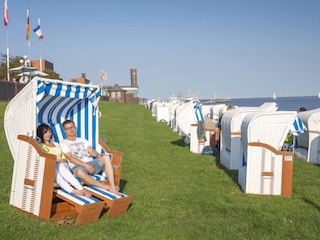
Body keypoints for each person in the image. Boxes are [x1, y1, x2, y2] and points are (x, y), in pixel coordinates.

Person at [60, 120, 120, 195]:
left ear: (75, 127)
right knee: (79, 172)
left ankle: (112, 186)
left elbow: (91, 151)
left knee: (106, 157)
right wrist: (86, 166)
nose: (71, 130)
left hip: (91, 163)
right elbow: (70, 158)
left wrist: (98, 155)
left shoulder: (82, 140)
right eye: (68, 128)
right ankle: (106, 187)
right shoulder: (63, 143)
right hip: (78, 166)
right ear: (65, 131)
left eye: (72, 127)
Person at [37, 123, 91, 197]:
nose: (48, 134)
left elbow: (65, 158)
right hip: (51, 169)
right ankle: (74, 190)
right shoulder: (40, 146)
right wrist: (56, 161)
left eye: (49, 132)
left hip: (63, 166)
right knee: (54, 167)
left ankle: (79, 188)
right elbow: (44, 159)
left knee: (60, 165)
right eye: (45, 132)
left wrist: (58, 161)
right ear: (41, 134)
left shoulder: (56, 144)